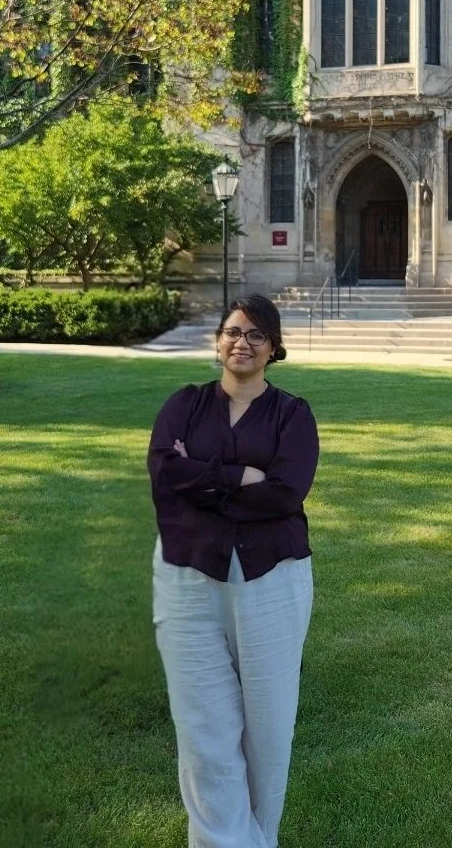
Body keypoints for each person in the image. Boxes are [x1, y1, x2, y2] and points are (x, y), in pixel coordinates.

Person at [147, 293, 319, 848]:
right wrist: (242, 475)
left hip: (272, 577)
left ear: (273, 348)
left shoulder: (293, 414)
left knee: (267, 730)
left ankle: (256, 839)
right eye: (232, 332)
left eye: (255, 335)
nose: (241, 343)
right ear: (218, 340)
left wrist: (205, 479)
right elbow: (166, 475)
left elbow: (287, 492)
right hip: (188, 576)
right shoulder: (184, 404)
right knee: (203, 732)